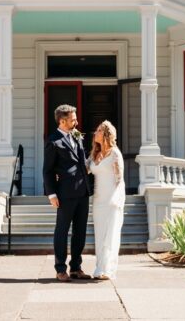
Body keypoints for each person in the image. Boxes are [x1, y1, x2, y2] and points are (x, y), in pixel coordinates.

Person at [42, 104, 93, 282]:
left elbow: (83, 159)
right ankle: (60, 269)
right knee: (62, 231)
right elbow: (47, 170)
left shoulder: (77, 135)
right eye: (73, 119)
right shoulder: (53, 141)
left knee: (80, 231)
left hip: (83, 191)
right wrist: (52, 194)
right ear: (63, 121)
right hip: (64, 193)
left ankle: (76, 268)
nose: (77, 122)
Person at [88, 120, 125, 280]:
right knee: (100, 234)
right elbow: (85, 169)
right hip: (98, 200)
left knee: (110, 234)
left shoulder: (115, 154)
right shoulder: (95, 154)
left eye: (98, 130)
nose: (95, 133)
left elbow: (119, 179)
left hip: (111, 200)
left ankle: (108, 269)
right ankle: (100, 267)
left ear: (106, 134)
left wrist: (116, 200)